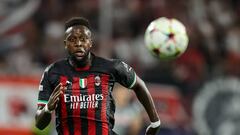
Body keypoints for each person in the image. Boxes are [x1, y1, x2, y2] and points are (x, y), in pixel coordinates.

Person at [35, 17, 160, 135]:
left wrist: (155, 122)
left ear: (90, 43)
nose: (78, 43)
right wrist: (48, 108)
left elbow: (138, 84)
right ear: (65, 44)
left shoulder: (111, 67)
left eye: (83, 39)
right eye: (72, 39)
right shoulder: (52, 72)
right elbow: (39, 124)